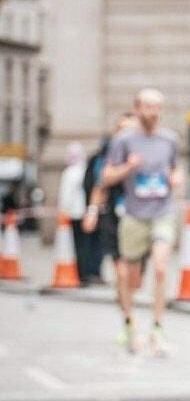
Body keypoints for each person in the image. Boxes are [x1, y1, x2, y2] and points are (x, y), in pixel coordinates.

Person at [102, 89, 182, 356]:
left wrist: (176, 178)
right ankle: (129, 322)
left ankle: (157, 328)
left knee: (160, 268)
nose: (153, 112)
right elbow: (107, 176)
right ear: (137, 109)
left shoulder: (170, 139)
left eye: (157, 107)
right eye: (148, 106)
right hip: (134, 215)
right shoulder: (123, 140)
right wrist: (128, 167)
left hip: (162, 212)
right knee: (130, 278)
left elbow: (175, 168)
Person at [82, 112, 142, 333]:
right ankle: (128, 320)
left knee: (135, 280)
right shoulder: (107, 158)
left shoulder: (146, 155)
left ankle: (124, 298)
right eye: (123, 129)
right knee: (122, 272)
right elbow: (100, 186)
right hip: (114, 219)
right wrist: (92, 212)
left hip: (141, 219)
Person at [57, 142, 93, 284]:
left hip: (74, 213)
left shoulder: (70, 172)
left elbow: (66, 196)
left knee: (78, 245)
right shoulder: (85, 170)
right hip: (87, 213)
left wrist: (63, 211)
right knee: (86, 244)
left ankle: (81, 273)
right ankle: (87, 272)